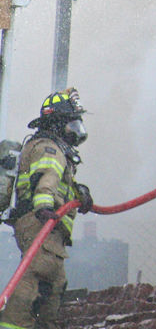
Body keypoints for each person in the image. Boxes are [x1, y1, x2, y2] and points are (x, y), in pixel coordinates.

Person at [0, 88, 93, 329]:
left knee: (54, 285)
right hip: (41, 223)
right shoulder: (50, 148)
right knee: (35, 279)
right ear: (57, 123)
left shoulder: (53, 149)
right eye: (72, 123)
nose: (76, 130)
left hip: (50, 229)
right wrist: (43, 207)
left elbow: (58, 186)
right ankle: (12, 324)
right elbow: (47, 180)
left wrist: (79, 193)